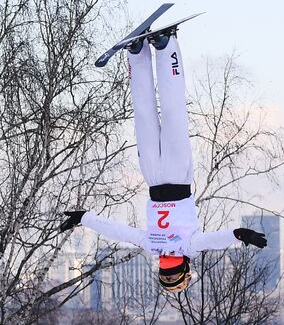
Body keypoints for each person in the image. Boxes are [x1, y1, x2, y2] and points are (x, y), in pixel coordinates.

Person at [60, 28, 267, 293]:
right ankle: (138, 55)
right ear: (164, 269)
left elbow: (217, 239)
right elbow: (119, 232)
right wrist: (84, 218)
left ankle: (165, 47)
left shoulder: (187, 247)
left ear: (184, 270)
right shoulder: (153, 246)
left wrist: (242, 235)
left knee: (172, 112)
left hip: (177, 174)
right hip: (153, 177)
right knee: (144, 115)